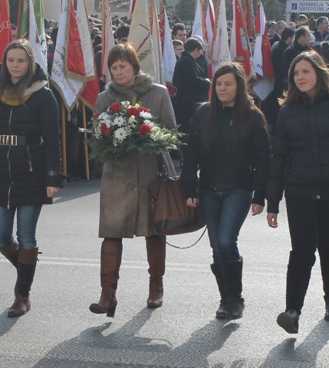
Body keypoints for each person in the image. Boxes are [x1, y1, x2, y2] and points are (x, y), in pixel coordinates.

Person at [266, 50, 329, 335]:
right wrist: (272, 201)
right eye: (296, 73)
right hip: (299, 191)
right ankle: (292, 311)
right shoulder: (286, 111)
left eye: (305, 71)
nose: (300, 77)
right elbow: (278, 160)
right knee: (302, 250)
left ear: (318, 73)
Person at [0, 40, 63, 317]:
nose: (15, 65)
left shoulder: (44, 95)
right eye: (11, 60)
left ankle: (22, 294)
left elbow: (52, 139)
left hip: (32, 170)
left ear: (30, 63)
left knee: (26, 235)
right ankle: (27, 267)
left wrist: (53, 176)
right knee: (0, 236)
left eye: (20, 60)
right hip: (0, 169)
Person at [89, 43, 177, 316]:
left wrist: (149, 135)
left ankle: (156, 287)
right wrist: (112, 138)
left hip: (152, 173)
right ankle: (108, 295)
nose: (118, 72)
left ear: (135, 67)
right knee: (112, 232)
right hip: (117, 177)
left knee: (154, 230)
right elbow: (96, 138)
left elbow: (171, 132)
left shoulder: (158, 93)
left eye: (123, 66)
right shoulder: (104, 98)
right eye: (113, 68)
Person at [181, 63, 270, 320]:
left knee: (225, 241)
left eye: (228, 84)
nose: (222, 88)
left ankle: (237, 299)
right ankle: (225, 299)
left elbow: (264, 159)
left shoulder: (253, 116)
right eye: (218, 84)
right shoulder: (203, 114)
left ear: (239, 86)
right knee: (215, 247)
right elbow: (191, 154)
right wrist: (190, 186)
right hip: (208, 189)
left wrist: (260, 196)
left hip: (239, 189)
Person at [171, 37, 210, 132]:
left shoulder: (187, 60)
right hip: (188, 102)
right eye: (199, 50)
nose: (200, 53)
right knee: (188, 128)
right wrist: (207, 82)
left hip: (188, 100)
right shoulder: (187, 61)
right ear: (195, 49)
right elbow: (192, 80)